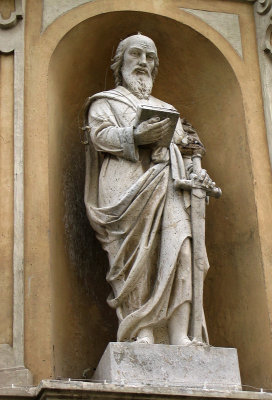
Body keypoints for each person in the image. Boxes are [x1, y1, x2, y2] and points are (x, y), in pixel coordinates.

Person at [84, 34, 212, 345]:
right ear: (121, 61)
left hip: (170, 184)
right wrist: (136, 136)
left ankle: (180, 334)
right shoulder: (106, 102)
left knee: (182, 250)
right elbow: (99, 136)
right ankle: (142, 332)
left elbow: (188, 148)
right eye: (136, 54)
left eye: (150, 57)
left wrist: (198, 172)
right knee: (136, 257)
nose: (143, 62)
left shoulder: (167, 108)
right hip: (125, 186)